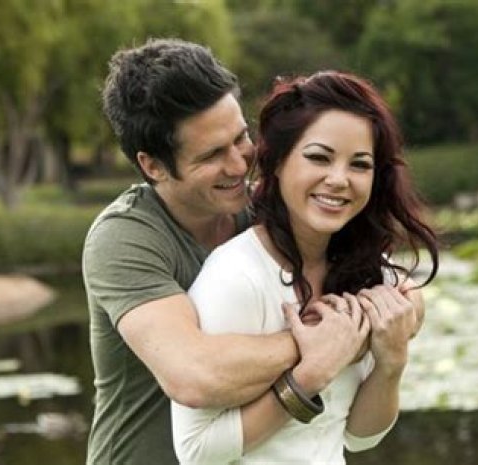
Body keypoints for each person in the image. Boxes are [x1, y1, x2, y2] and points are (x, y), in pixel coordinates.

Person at [83, 39, 384, 465]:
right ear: (153, 166)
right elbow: (195, 376)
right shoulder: (124, 238)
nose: (241, 165)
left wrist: (393, 309)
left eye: (241, 137)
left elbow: (368, 262)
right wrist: (327, 341)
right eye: (212, 155)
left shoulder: (263, 209)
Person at [171, 71, 439, 464]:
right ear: (278, 162)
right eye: (318, 157)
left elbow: (359, 438)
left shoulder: (369, 275)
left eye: (360, 164)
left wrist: (391, 362)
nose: (339, 180)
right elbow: (196, 451)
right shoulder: (237, 276)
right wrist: (308, 377)